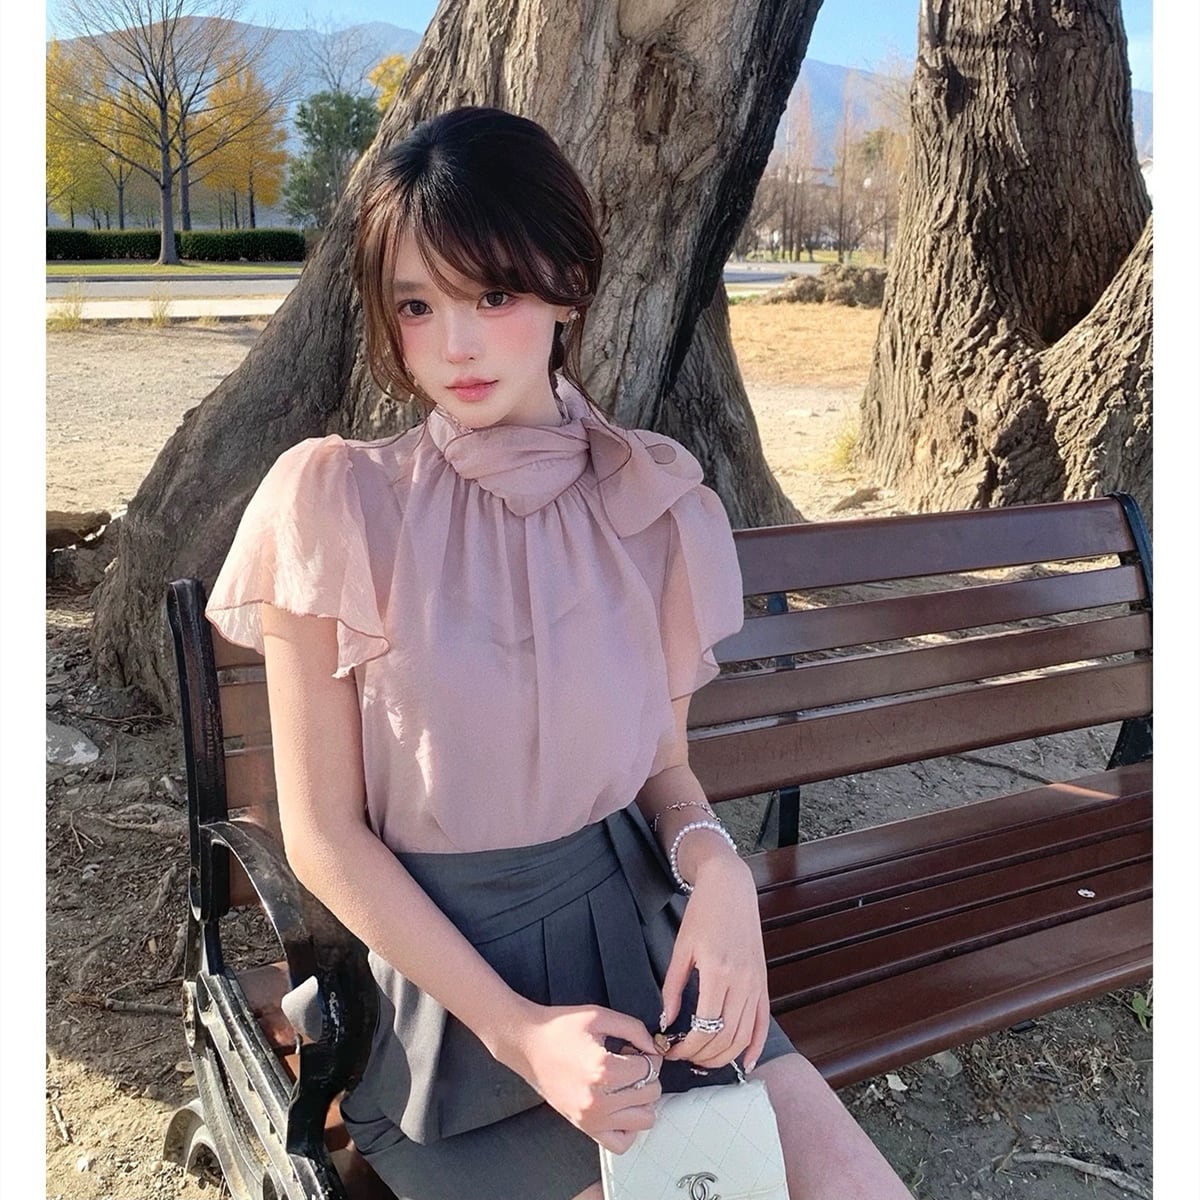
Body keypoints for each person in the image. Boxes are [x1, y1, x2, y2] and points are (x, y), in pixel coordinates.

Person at [206, 106, 909, 1200]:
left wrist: (719, 869)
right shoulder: (336, 500)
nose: (456, 344)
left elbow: (662, 771)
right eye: (418, 305)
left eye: (494, 294)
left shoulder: (651, 499)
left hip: (643, 945)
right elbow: (324, 836)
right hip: (448, 1005)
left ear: (567, 286)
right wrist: (520, 1032)